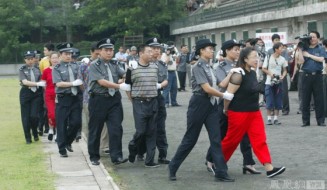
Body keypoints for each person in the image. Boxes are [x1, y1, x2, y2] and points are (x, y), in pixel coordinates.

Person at [168, 39, 235, 182]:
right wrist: (224, 95)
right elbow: (206, 88)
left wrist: (231, 73)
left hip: (211, 104)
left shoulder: (210, 66)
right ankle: (173, 166)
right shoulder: (198, 66)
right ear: (201, 51)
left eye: (212, 48)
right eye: (209, 48)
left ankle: (221, 172)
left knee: (216, 139)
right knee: (190, 139)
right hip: (199, 103)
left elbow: (221, 83)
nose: (212, 50)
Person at [221, 46, 286, 178]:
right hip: (238, 113)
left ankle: (269, 168)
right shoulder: (238, 74)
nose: (257, 60)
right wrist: (226, 110)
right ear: (245, 59)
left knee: (260, 139)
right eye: (254, 57)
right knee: (231, 141)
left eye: (258, 57)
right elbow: (228, 94)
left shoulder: (252, 72)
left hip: (254, 112)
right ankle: (218, 162)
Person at [205, 39, 260, 175]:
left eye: (239, 49)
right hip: (226, 105)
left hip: (242, 106)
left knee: (246, 136)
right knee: (222, 134)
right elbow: (221, 85)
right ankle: (210, 159)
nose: (237, 51)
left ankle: (248, 163)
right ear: (227, 51)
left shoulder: (241, 65)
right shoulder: (221, 66)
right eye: (234, 49)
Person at [87, 38, 129, 165]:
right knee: (96, 129)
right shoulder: (94, 65)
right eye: (106, 50)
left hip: (114, 100)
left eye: (111, 50)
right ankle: (94, 156)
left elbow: (124, 75)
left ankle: (116, 156)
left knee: (116, 128)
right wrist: (118, 85)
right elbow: (102, 82)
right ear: (100, 51)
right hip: (99, 99)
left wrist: (127, 77)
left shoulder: (115, 64)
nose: (109, 53)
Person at [125, 42, 162, 168]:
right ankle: (133, 147)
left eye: (152, 51)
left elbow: (158, 82)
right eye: (149, 52)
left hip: (153, 101)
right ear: (141, 53)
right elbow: (128, 86)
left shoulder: (155, 67)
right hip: (139, 102)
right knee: (140, 131)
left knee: (152, 132)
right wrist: (132, 100)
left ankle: (149, 160)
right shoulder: (132, 68)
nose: (152, 54)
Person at [52, 42, 83, 157]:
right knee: (61, 124)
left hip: (75, 98)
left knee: (76, 123)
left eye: (70, 53)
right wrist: (72, 83)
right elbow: (58, 83)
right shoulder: (57, 68)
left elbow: (82, 78)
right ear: (60, 55)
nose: (69, 56)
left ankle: (68, 141)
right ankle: (62, 149)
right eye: (66, 53)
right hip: (63, 98)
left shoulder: (77, 66)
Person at [297, 31, 327, 127]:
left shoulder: (321, 48)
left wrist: (309, 55)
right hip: (306, 76)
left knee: (319, 99)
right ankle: (305, 121)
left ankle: (321, 121)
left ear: (318, 38)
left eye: (314, 37)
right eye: (310, 37)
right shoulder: (305, 48)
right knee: (305, 99)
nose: (312, 39)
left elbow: (321, 59)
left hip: (318, 76)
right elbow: (301, 61)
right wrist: (300, 50)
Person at [19, 51, 45, 144]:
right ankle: (28, 138)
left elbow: (42, 79)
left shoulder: (37, 69)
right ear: (25, 60)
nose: (30, 61)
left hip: (36, 94)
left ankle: (35, 132)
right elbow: (25, 82)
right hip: (25, 93)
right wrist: (37, 83)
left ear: (34, 59)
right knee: (25, 117)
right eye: (28, 59)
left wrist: (40, 83)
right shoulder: (22, 69)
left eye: (31, 59)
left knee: (34, 116)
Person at [262, 42, 288, 125]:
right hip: (269, 82)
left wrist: (282, 76)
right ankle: (269, 118)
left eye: (283, 48)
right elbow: (264, 68)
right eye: (281, 48)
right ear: (276, 49)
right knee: (269, 100)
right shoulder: (269, 57)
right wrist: (271, 75)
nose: (282, 50)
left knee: (278, 100)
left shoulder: (282, 59)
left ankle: (276, 118)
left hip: (279, 82)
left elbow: (285, 70)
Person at [41, 51, 60, 141]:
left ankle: (56, 132)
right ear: (50, 59)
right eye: (53, 58)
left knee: (58, 114)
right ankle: (51, 129)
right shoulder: (46, 71)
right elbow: (44, 84)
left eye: (56, 58)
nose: (55, 60)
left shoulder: (61, 69)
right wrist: (48, 92)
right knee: (51, 114)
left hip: (60, 95)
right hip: (49, 95)